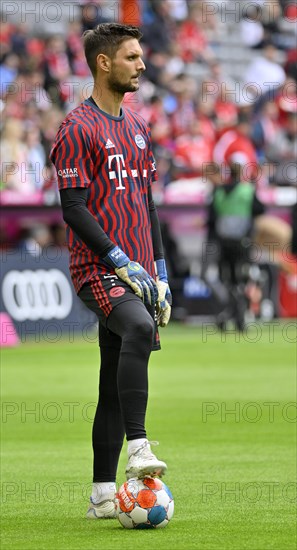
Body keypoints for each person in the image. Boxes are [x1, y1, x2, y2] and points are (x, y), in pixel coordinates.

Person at [50, 23, 171, 520]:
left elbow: (148, 206)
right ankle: (139, 449)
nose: (142, 64)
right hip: (98, 267)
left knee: (111, 384)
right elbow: (73, 207)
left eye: (141, 57)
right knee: (138, 329)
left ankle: (102, 496)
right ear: (104, 63)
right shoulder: (76, 127)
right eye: (132, 57)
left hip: (141, 271)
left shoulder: (138, 129)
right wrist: (118, 259)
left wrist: (159, 271)